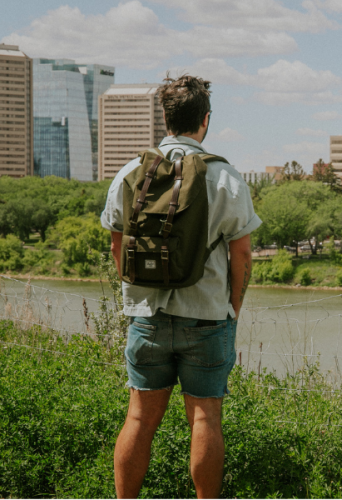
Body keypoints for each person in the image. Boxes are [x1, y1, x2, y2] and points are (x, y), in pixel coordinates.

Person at [101, 75, 261, 498]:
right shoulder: (225, 176)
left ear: (166, 117)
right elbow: (242, 257)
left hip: (147, 318)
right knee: (206, 419)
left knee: (138, 419)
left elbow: (117, 244)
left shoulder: (132, 171)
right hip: (207, 318)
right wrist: (232, 311)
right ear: (205, 120)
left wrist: (137, 295)